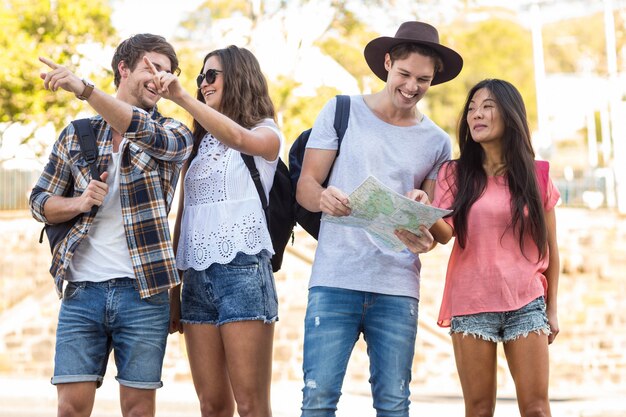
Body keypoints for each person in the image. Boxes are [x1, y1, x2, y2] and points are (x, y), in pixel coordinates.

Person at [296, 21, 463, 416]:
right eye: (404, 74)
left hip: (397, 284)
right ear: (387, 63)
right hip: (335, 278)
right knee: (318, 400)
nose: (411, 87)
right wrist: (324, 198)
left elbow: (436, 228)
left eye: (423, 79)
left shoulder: (437, 141)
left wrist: (422, 212)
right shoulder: (341, 110)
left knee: (393, 403)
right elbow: (305, 185)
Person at [29, 34, 193, 417]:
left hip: (144, 292)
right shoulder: (76, 134)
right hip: (81, 291)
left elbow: (141, 129)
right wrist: (79, 202)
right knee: (70, 408)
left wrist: (85, 90)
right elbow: (39, 201)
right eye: (154, 68)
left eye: (169, 72)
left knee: (138, 410)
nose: (162, 80)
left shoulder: (174, 132)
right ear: (124, 68)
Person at [145, 45, 282, 417]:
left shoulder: (265, 131)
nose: (204, 83)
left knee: (251, 405)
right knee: (211, 405)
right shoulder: (198, 143)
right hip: (195, 277)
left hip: (242, 270)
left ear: (238, 77)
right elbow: (183, 216)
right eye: (200, 77)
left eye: (211, 75)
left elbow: (238, 139)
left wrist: (183, 97)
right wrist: (175, 288)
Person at [426, 78, 560, 416]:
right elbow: (444, 234)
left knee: (537, 409)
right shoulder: (453, 174)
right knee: (480, 409)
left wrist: (552, 309)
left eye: (487, 106)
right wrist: (419, 211)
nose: (476, 115)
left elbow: (551, 250)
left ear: (509, 113)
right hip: (471, 303)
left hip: (526, 303)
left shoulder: (537, 174)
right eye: (471, 108)